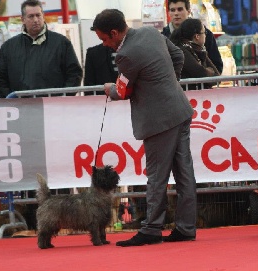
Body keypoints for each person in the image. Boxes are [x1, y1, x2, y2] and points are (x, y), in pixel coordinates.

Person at [91, 9, 197, 247]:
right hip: (180, 109)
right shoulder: (151, 32)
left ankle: (151, 229)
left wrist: (110, 89)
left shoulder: (126, 54)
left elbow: (123, 90)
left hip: (159, 121)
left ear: (115, 32)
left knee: (157, 176)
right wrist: (169, 85)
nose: (105, 44)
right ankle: (186, 228)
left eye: (104, 39)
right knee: (184, 173)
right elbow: (178, 55)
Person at [0, 0, 82, 98]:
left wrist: (64, 98)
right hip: (21, 107)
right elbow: (0, 78)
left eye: (38, 15)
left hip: (54, 107)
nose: (36, 20)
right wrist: (10, 100)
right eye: (31, 16)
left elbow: (74, 73)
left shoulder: (61, 43)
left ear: (43, 16)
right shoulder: (8, 47)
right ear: (22, 19)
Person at [162, 0, 223, 74]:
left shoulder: (204, 34)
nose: (176, 13)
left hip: (202, 83)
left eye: (180, 9)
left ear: (188, 11)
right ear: (168, 13)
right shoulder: (163, 37)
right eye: (172, 10)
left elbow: (217, 64)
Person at [170, 18, 220, 90]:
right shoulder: (182, 51)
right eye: (204, 32)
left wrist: (207, 72)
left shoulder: (200, 50)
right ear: (197, 36)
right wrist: (208, 71)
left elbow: (217, 77)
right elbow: (201, 74)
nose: (205, 35)